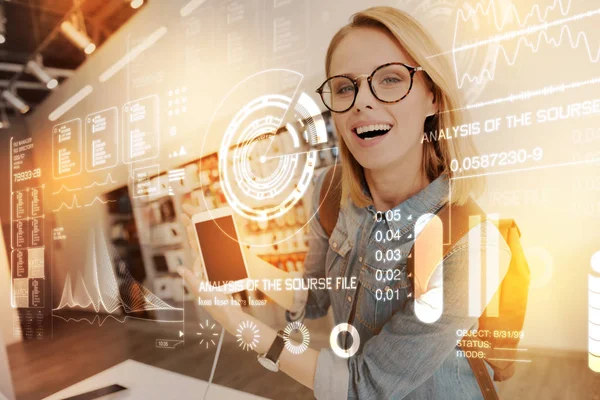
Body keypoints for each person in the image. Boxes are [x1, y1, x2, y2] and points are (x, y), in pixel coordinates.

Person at [180, 6, 511, 399]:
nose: (362, 102)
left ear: (433, 98)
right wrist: (232, 253)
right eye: (344, 87)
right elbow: (315, 297)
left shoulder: (473, 248)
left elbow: (361, 385)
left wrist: (238, 323)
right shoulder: (330, 189)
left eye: (390, 79)